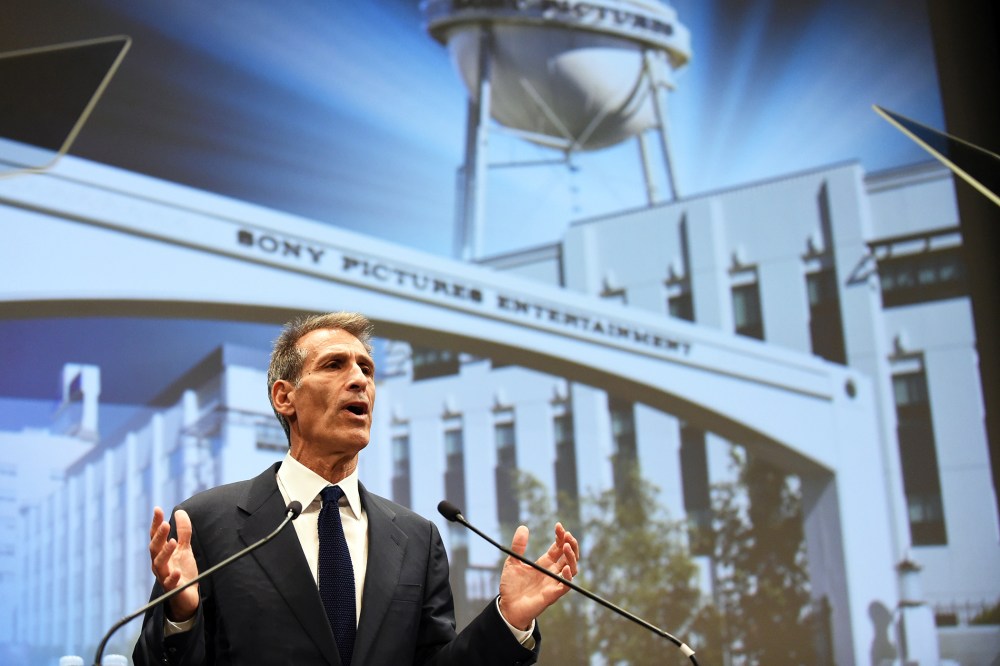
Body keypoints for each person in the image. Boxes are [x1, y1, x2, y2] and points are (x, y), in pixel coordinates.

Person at [133, 311, 580, 666]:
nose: (360, 380)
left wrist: (509, 620)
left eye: (366, 368)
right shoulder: (208, 524)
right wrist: (182, 616)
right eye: (334, 365)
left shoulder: (416, 538)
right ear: (284, 397)